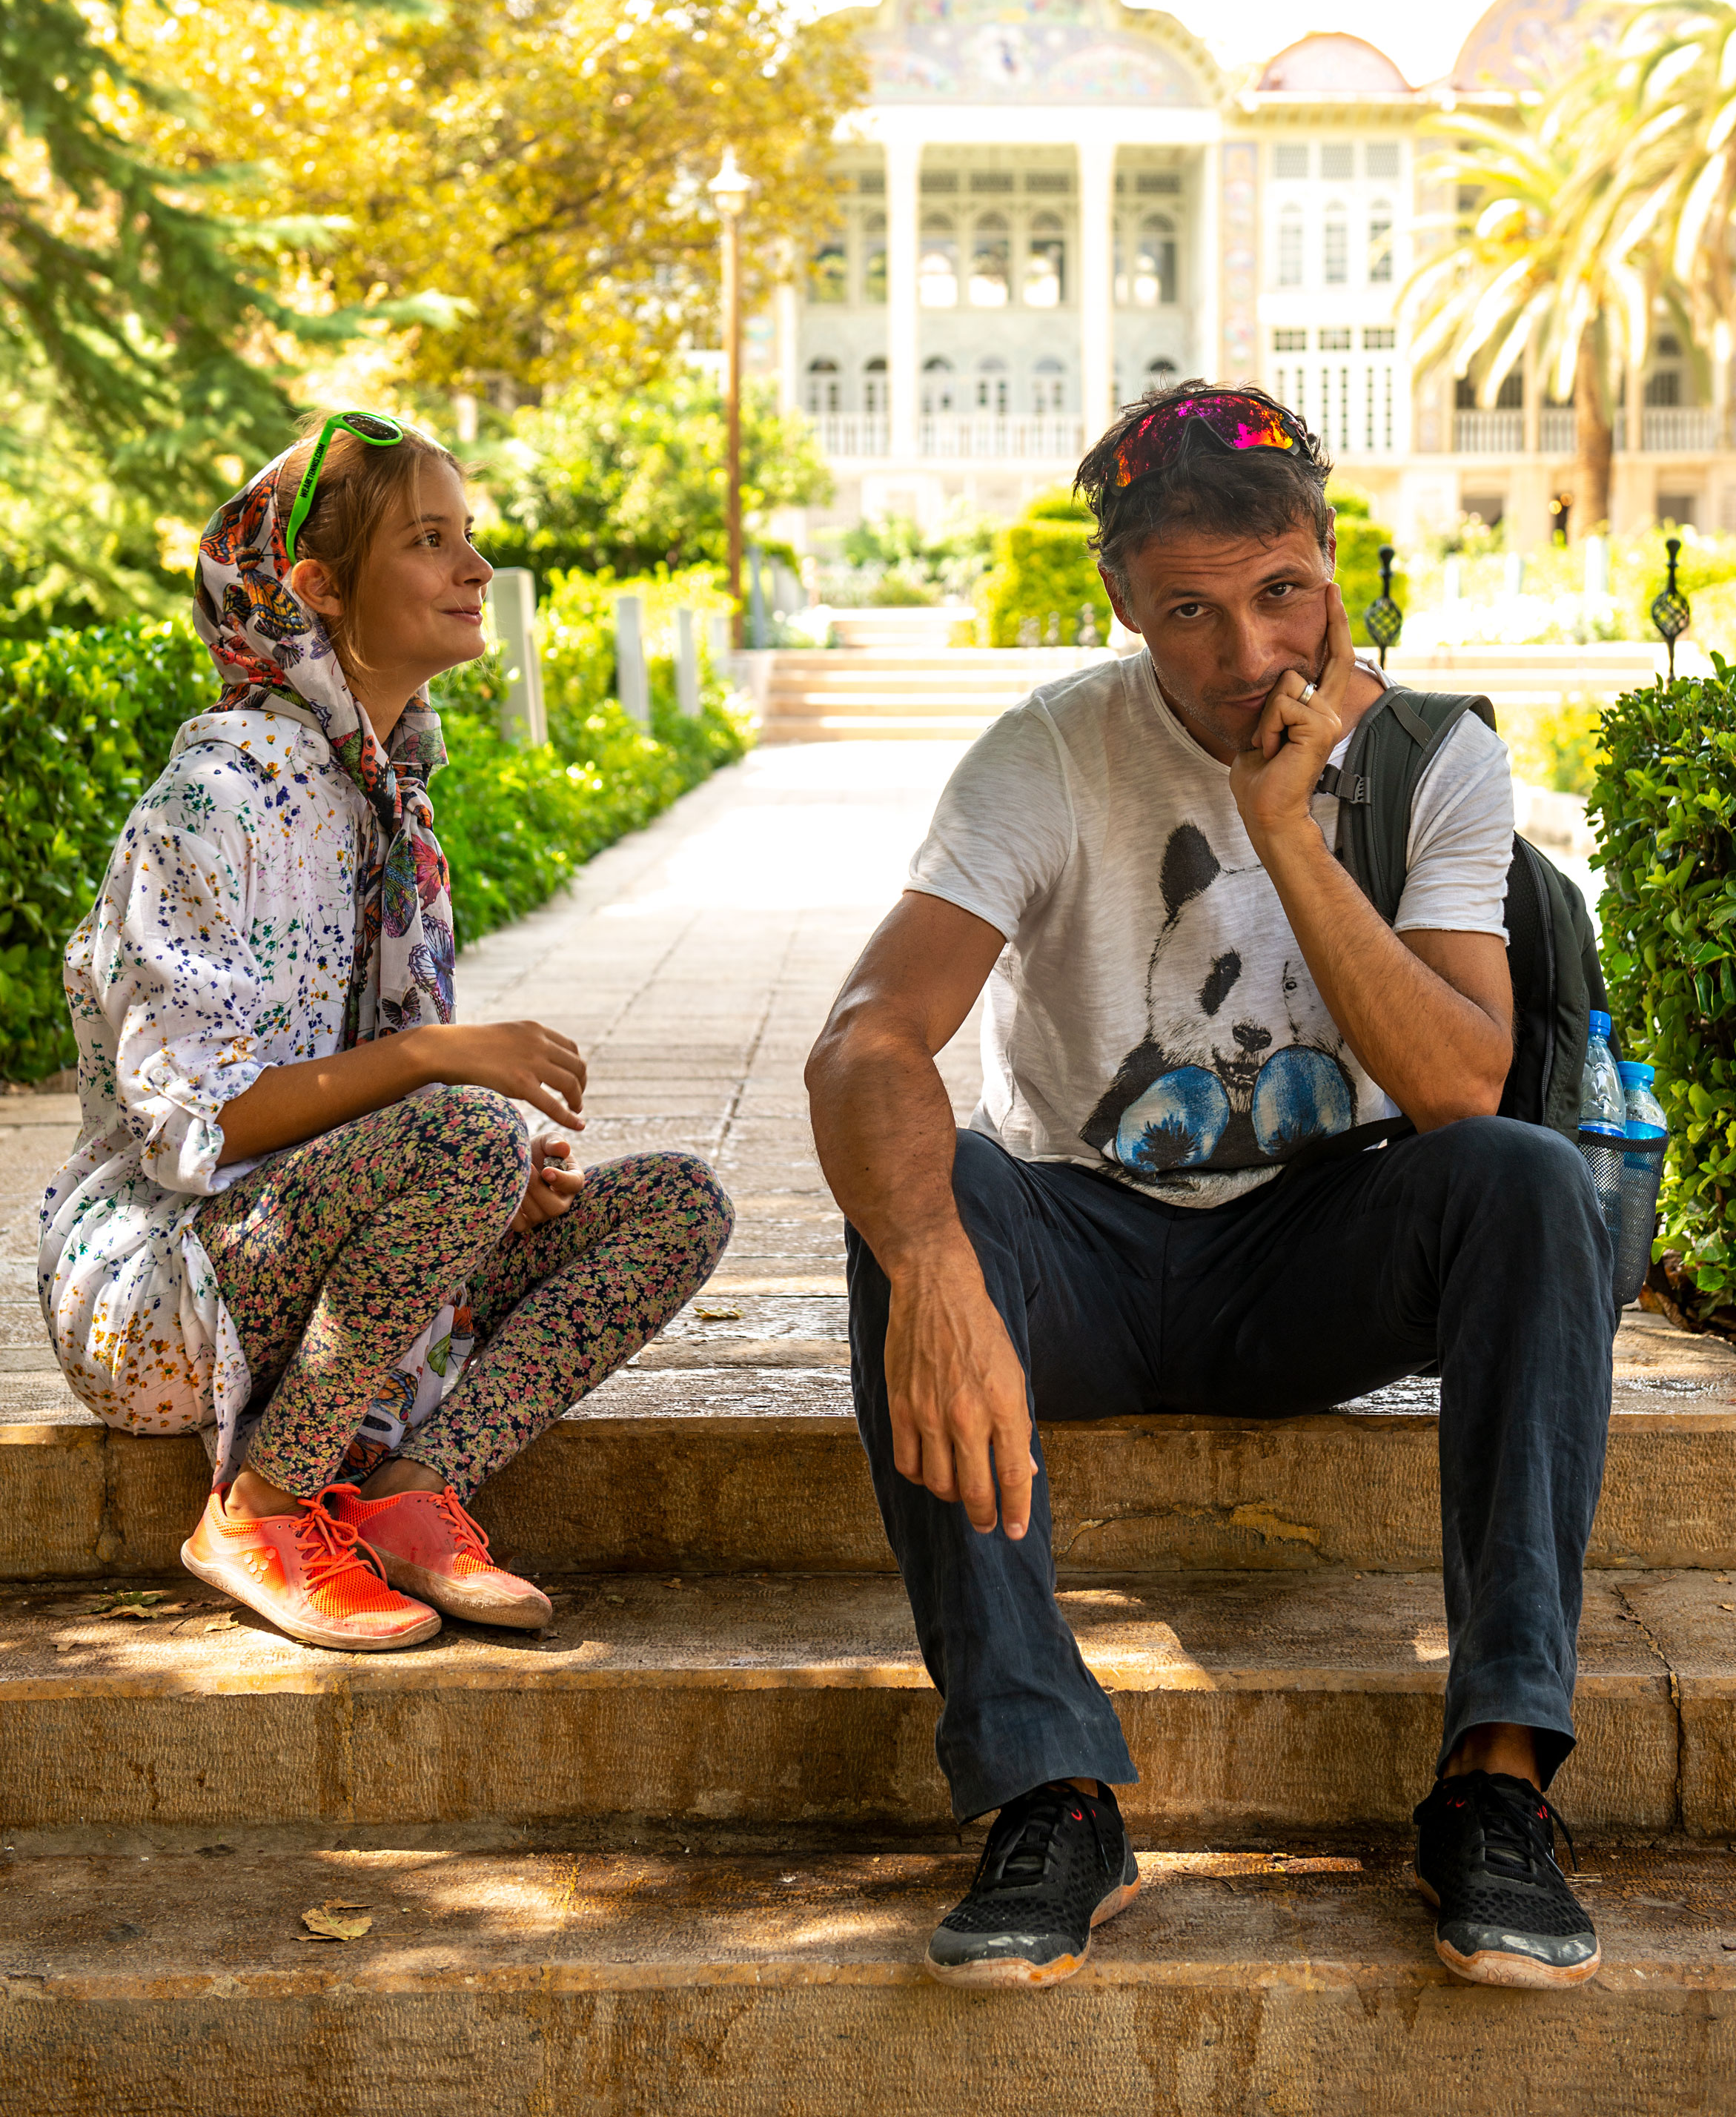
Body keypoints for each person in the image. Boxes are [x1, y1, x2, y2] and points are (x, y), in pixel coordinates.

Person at [807, 382, 1613, 1994]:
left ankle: (1498, 1783)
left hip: (1317, 1255)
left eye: (1281, 593)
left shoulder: (1433, 761)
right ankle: (1046, 1790)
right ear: (1123, 599)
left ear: (1329, 557)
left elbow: (1458, 1086)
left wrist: (1283, 829)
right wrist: (938, 1270)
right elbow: (864, 1037)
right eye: (1191, 610)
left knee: (1524, 1182)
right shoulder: (1048, 752)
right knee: (917, 1193)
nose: (1250, 653)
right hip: (1082, 1255)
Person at [40, 411, 730, 1650]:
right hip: (166, 1290)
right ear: (316, 588)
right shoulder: (217, 797)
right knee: (464, 1134)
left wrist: (483, 1189)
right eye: (430, 540)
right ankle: (260, 1507)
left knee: (677, 1205)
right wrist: (432, 1072)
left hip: (314, 1263)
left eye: (468, 536)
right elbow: (198, 1125)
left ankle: (408, 1496)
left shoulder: (386, 795)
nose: (475, 567)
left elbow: (384, 1131)